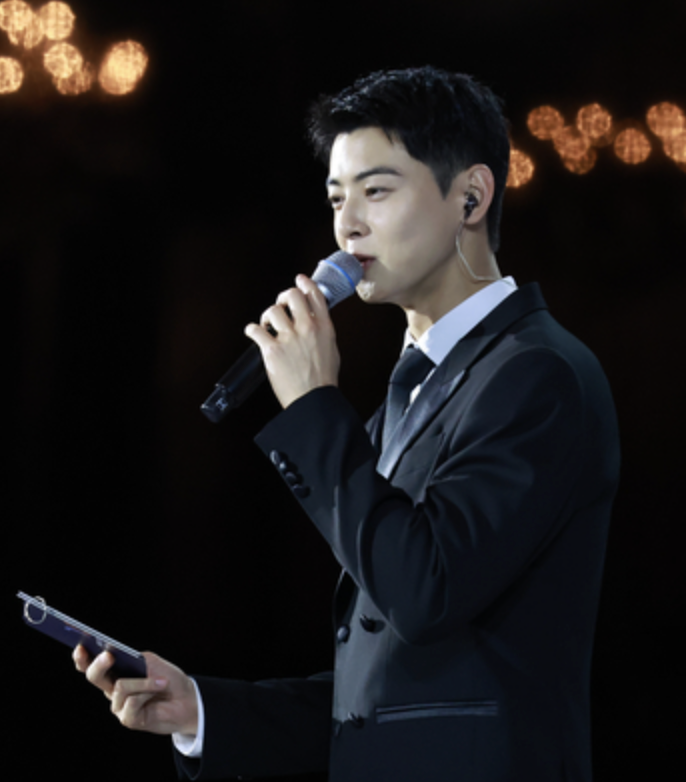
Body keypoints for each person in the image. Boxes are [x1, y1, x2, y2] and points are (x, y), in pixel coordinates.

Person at [74, 66, 620, 781]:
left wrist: (312, 405)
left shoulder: (538, 375)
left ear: (472, 196)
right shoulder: (413, 391)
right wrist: (201, 712)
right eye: (337, 197)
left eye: (376, 191)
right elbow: (392, 694)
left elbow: (425, 593)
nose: (347, 225)